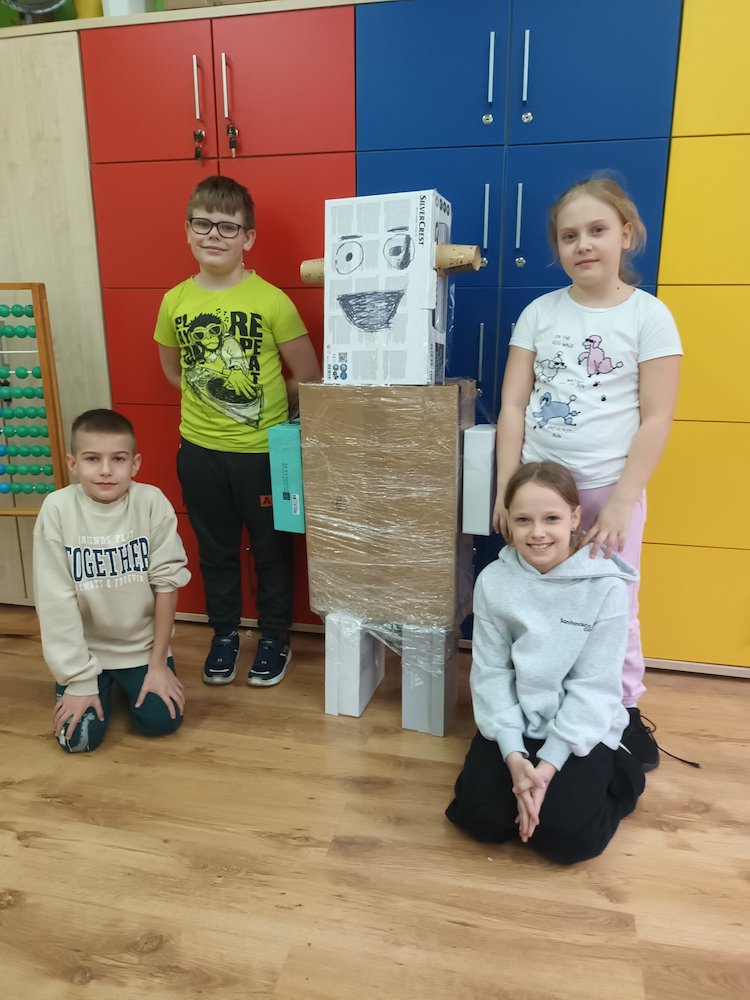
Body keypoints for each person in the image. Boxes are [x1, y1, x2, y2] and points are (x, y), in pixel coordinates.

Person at [491, 177, 682, 771]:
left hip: (607, 495)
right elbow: (513, 406)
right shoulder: (539, 314)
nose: (583, 245)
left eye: (597, 230)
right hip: (538, 497)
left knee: (613, 603)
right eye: (569, 235)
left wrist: (623, 501)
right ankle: (533, 705)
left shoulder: (649, 316)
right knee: (536, 599)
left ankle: (622, 711)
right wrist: (506, 490)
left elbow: (657, 417)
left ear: (626, 233)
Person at [154, 175, 321, 688]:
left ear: (248, 237)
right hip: (199, 453)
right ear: (187, 230)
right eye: (203, 224)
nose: (214, 235)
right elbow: (174, 372)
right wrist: (212, 399)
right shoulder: (174, 301)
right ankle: (224, 635)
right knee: (216, 551)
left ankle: (274, 638)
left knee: (272, 552)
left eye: (228, 227)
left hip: (263, 455)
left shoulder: (272, 301)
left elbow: (308, 376)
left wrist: (257, 405)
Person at [447, 461, 645, 865]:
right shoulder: (494, 581)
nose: (537, 532)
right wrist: (515, 758)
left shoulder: (606, 585)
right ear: (508, 521)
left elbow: (594, 686)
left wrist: (548, 766)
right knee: (479, 820)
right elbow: (491, 673)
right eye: (524, 520)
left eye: (551, 518)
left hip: (577, 726)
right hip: (518, 718)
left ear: (574, 517)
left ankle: (623, 771)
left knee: (567, 840)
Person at [33, 409, 191, 753]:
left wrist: (158, 664)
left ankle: (129, 680)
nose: (106, 470)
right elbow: (55, 601)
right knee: (76, 741)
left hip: (142, 649)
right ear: (73, 464)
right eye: (92, 459)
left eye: (118, 459)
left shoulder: (151, 502)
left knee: (162, 721)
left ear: (134, 464)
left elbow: (167, 585)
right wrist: (78, 679)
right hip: (85, 651)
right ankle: (98, 681)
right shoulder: (57, 509)